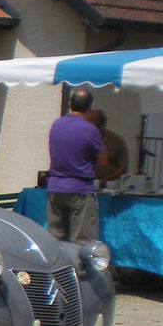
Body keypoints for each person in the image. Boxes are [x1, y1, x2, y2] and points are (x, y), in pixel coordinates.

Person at [45, 88, 107, 242]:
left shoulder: (56, 124)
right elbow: (103, 160)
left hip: (55, 187)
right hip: (80, 189)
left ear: (69, 104)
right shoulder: (90, 130)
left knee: (55, 239)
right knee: (82, 241)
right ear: (91, 107)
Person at [95, 111, 129, 188]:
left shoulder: (117, 141)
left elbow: (123, 167)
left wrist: (105, 180)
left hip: (109, 186)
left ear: (103, 125)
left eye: (97, 127)